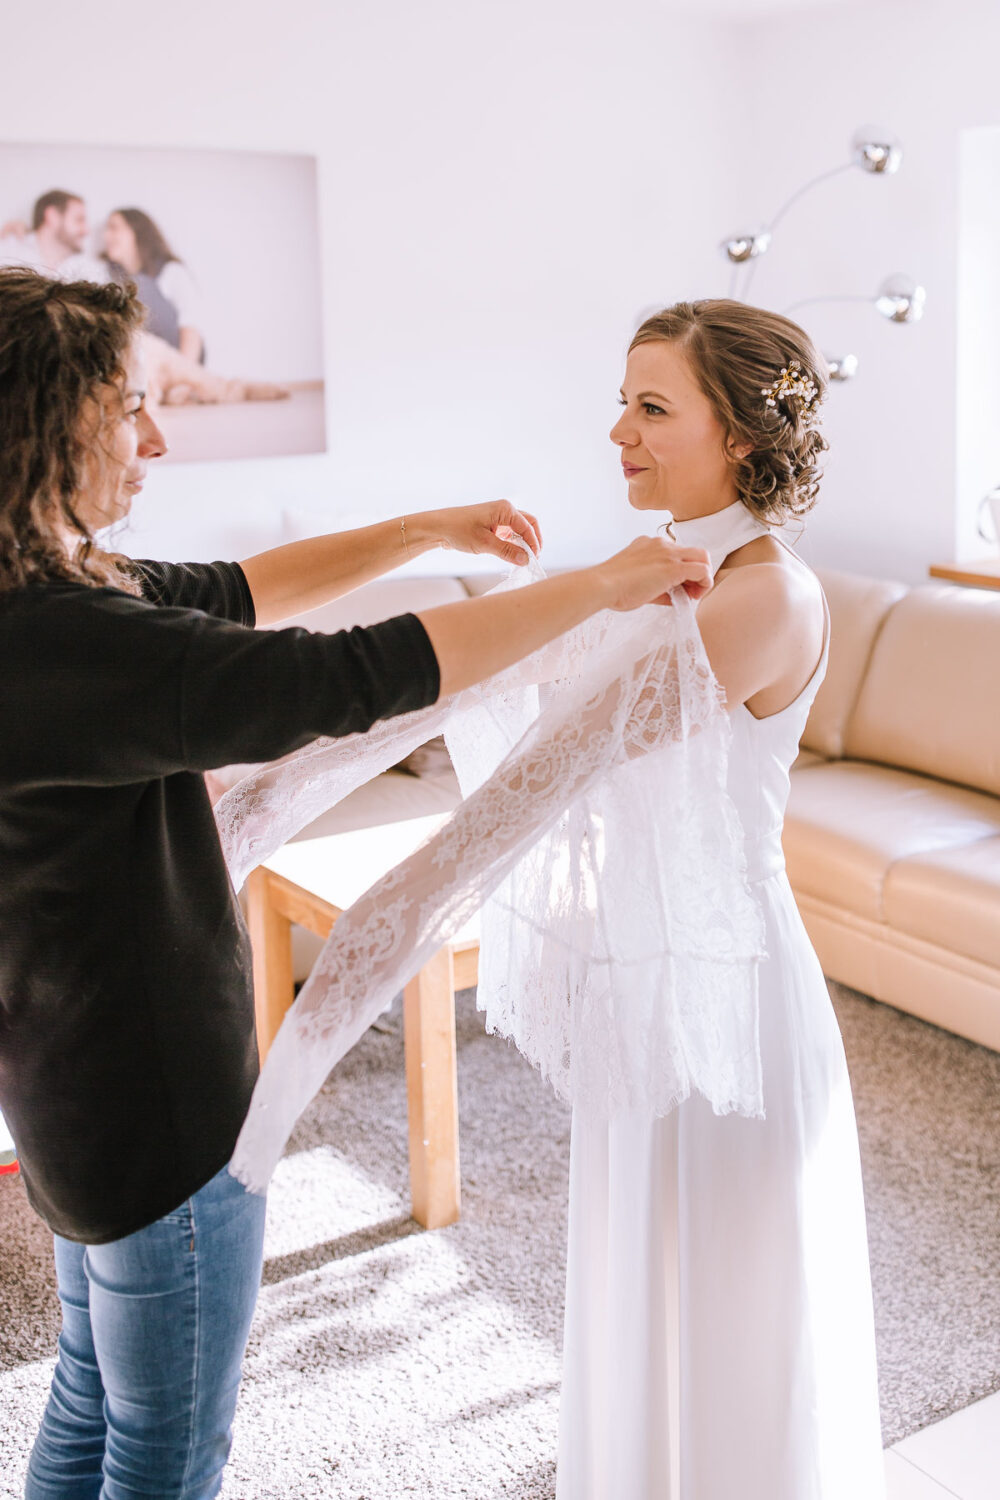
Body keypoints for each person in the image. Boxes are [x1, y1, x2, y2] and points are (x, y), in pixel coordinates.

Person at [0, 267, 711, 1500]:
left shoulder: (44, 590)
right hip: (157, 1114)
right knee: (165, 1455)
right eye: (128, 409)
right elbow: (354, 677)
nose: (156, 441)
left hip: (61, 1089)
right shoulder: (78, 641)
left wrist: (429, 529)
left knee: (88, 1391)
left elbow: (239, 590)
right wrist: (604, 582)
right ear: (44, 429)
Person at [552, 302, 885, 1499]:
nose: (618, 432)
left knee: (729, 1299)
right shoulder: (677, 575)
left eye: (651, 407)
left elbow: (562, 753)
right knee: (643, 1268)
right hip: (645, 967)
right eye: (623, 402)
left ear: (740, 435)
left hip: (726, 987)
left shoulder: (764, 598)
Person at [102, 206, 205, 362]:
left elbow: (191, 325)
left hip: (178, 361)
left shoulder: (171, 271)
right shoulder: (110, 276)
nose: (106, 236)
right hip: (145, 364)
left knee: (140, 287)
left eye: (114, 228)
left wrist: (185, 371)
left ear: (136, 232)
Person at [0, 189, 107, 282]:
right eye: (79, 220)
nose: (86, 230)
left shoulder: (86, 269)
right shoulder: (8, 253)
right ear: (52, 216)